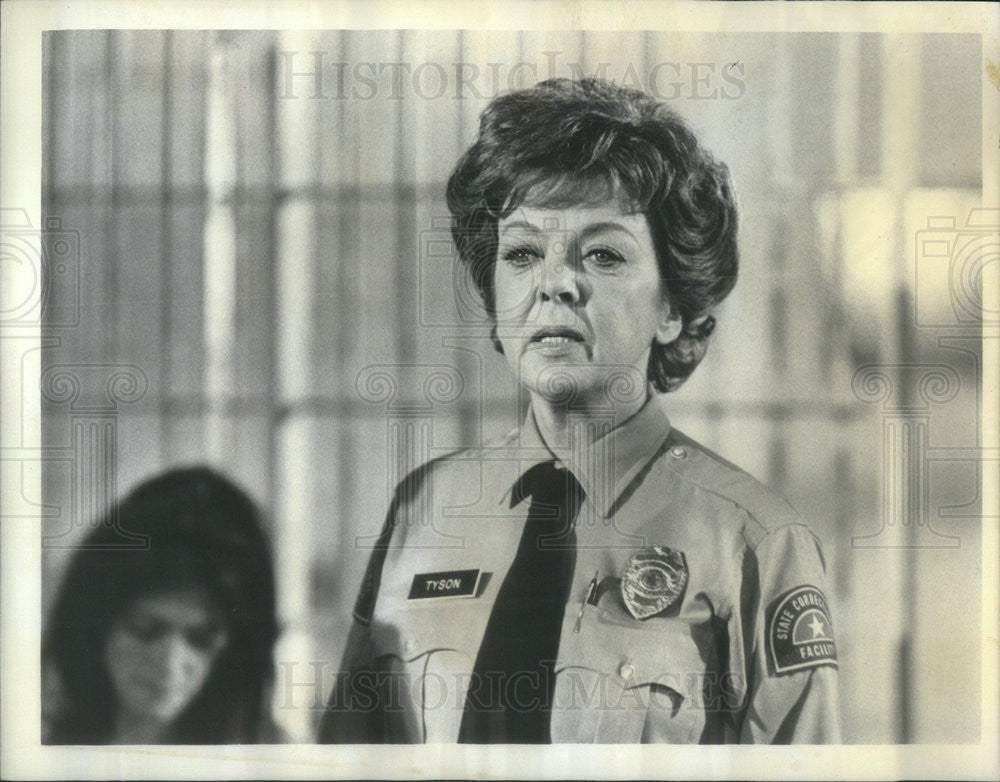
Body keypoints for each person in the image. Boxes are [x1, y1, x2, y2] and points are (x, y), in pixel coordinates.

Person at [319, 77, 840, 744]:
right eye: (523, 253)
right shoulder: (423, 508)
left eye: (602, 254)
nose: (554, 283)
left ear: (672, 307)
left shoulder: (756, 542)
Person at [42, 466, 283, 744]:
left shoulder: (272, 757)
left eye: (201, 638)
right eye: (146, 629)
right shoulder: (31, 742)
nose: (170, 662)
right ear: (97, 623)